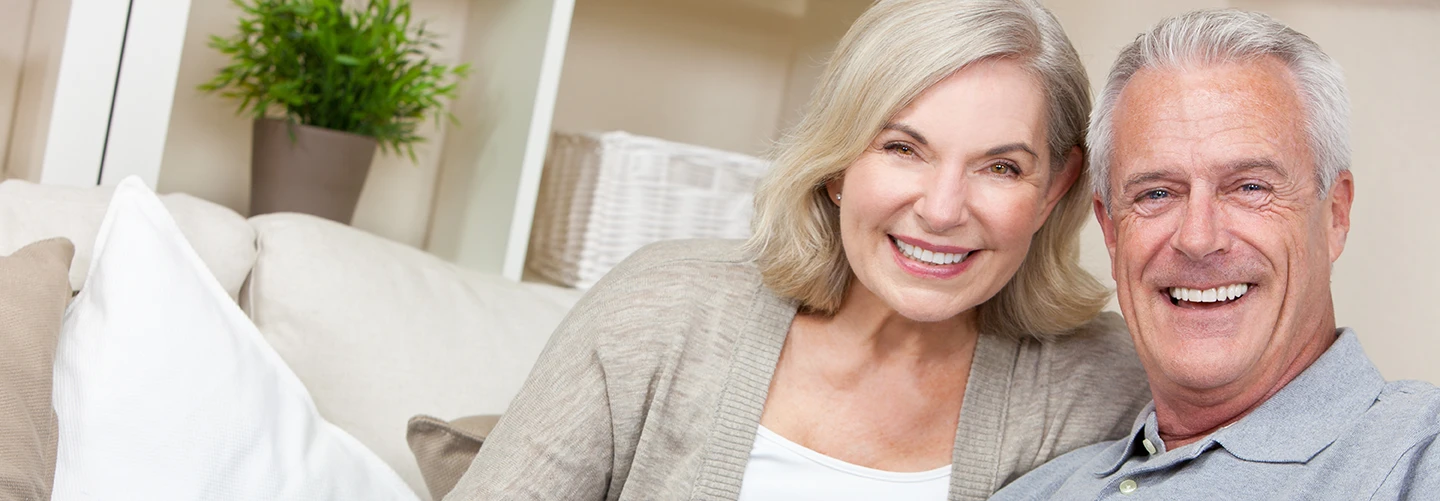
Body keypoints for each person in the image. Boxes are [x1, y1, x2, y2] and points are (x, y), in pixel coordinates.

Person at [444, 1, 1150, 499]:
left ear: (1055, 186)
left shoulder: (1103, 385)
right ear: (838, 164)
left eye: (1000, 167)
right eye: (903, 148)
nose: (940, 209)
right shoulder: (661, 308)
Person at [991, 9, 1440, 500]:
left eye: (1249, 187)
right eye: (1156, 194)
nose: (1198, 238)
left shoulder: (1417, 456)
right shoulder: (1035, 491)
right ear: (1111, 229)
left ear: (1335, 214)